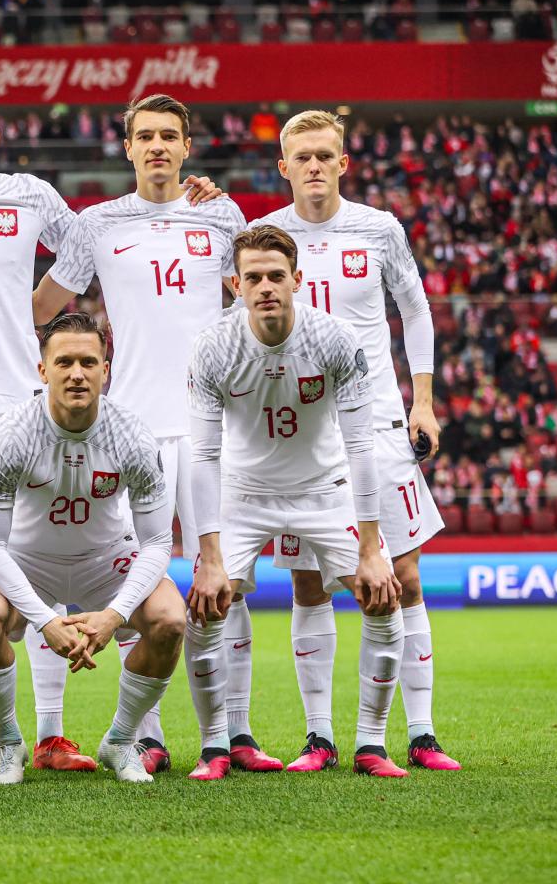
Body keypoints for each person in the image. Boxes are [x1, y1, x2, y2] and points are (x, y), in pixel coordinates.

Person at [0, 84, 219, 776]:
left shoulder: (33, 197)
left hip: (20, 407)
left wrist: (186, 197)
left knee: (44, 562)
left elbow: (95, 242)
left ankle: (52, 733)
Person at [33, 93, 281, 778]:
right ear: (128, 146)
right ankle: (146, 733)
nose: (157, 147)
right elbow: (46, 306)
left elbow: (253, 311)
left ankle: (234, 733)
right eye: (145, 136)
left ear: (187, 146)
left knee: (223, 585)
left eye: (169, 136)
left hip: (209, 429)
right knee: (132, 586)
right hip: (130, 433)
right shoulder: (98, 224)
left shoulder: (221, 215)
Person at [251, 110, 457, 772]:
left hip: (376, 423)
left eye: (324, 155)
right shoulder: (267, 240)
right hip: (300, 435)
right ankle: (320, 737)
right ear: (283, 168)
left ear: (344, 163)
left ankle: (419, 733)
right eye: (301, 156)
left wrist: (422, 400)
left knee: (403, 574)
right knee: (310, 584)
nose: (314, 165)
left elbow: (415, 309)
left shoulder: (378, 228)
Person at [186, 226, 410, 779]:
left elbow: (361, 445)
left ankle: (371, 744)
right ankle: (215, 746)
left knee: (381, 596)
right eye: (254, 277)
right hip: (244, 492)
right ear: (235, 284)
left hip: (324, 488)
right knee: (205, 607)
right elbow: (202, 455)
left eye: (276, 276)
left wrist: (370, 545)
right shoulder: (212, 346)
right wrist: (209, 556)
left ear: (298, 280)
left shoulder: (334, 339)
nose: (265, 287)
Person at [0, 312, 185, 785]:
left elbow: (158, 541)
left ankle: (122, 741)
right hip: (27, 561)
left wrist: (115, 615)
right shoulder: (10, 435)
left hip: (105, 561)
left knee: (169, 619)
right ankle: (8, 744)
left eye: (89, 362)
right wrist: (45, 619)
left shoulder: (133, 436)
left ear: (107, 368)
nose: (77, 373)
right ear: (42, 371)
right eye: (64, 362)